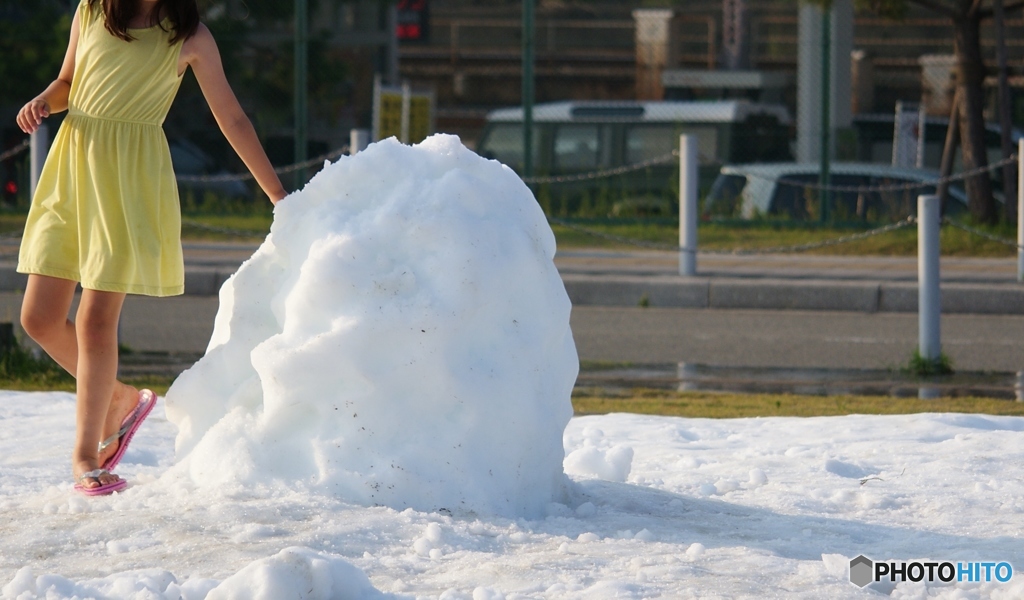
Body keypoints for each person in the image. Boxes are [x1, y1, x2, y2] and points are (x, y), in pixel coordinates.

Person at [15, 0, 286, 495]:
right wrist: (42, 101)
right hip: (71, 171)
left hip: (129, 182)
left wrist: (278, 197)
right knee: (39, 319)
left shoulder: (190, 37)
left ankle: (85, 455)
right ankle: (118, 401)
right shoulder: (91, 11)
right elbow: (67, 85)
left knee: (98, 318)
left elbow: (233, 119)